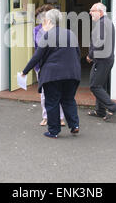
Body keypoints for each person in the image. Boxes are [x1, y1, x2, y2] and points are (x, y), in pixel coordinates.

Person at [22, 9, 81, 138]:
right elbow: (77, 53)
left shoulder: (47, 35)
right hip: (72, 73)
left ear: (48, 21)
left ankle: (54, 131)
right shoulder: (71, 33)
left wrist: (25, 71)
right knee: (69, 99)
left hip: (52, 75)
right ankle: (74, 125)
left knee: (52, 102)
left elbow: (37, 56)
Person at [87, 2, 116, 121]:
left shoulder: (102, 24)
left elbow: (99, 43)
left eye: (92, 10)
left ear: (100, 12)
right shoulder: (107, 22)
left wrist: (90, 55)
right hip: (106, 59)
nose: (90, 13)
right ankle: (100, 111)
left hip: (102, 59)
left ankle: (112, 107)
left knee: (94, 86)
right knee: (100, 85)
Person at [34, 4, 65, 127]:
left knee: (58, 92)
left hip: (56, 65)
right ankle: (46, 117)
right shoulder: (36, 30)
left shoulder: (57, 30)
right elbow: (40, 45)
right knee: (44, 95)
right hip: (41, 66)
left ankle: (61, 118)